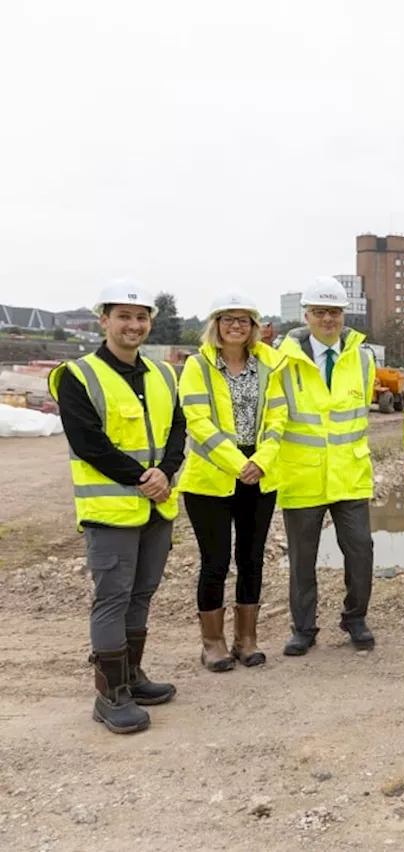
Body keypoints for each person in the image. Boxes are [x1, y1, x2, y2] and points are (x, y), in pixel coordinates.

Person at [50, 280, 185, 733]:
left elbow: (176, 432)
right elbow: (88, 441)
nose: (134, 325)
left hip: (157, 507)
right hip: (111, 512)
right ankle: (109, 695)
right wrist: (142, 478)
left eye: (141, 316)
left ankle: (131, 676)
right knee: (112, 599)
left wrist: (166, 470)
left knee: (141, 595)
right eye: (124, 316)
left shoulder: (164, 374)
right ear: (104, 320)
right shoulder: (78, 375)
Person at [178, 293, 287, 672]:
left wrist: (260, 461)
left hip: (258, 474)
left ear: (254, 327)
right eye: (228, 320)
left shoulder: (268, 367)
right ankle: (213, 643)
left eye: (243, 320)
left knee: (252, 560)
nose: (236, 326)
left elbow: (277, 419)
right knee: (215, 562)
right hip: (211, 477)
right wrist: (238, 463)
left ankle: (246, 639)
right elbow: (197, 420)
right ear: (216, 326)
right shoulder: (197, 366)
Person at [275, 276, 379, 656]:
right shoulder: (283, 360)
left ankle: (355, 618)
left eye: (334, 311)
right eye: (319, 312)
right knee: (302, 559)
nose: (327, 319)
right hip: (303, 474)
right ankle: (303, 627)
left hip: (349, 474)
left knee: (361, 551)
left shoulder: (363, 359)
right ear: (307, 315)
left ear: (343, 314)